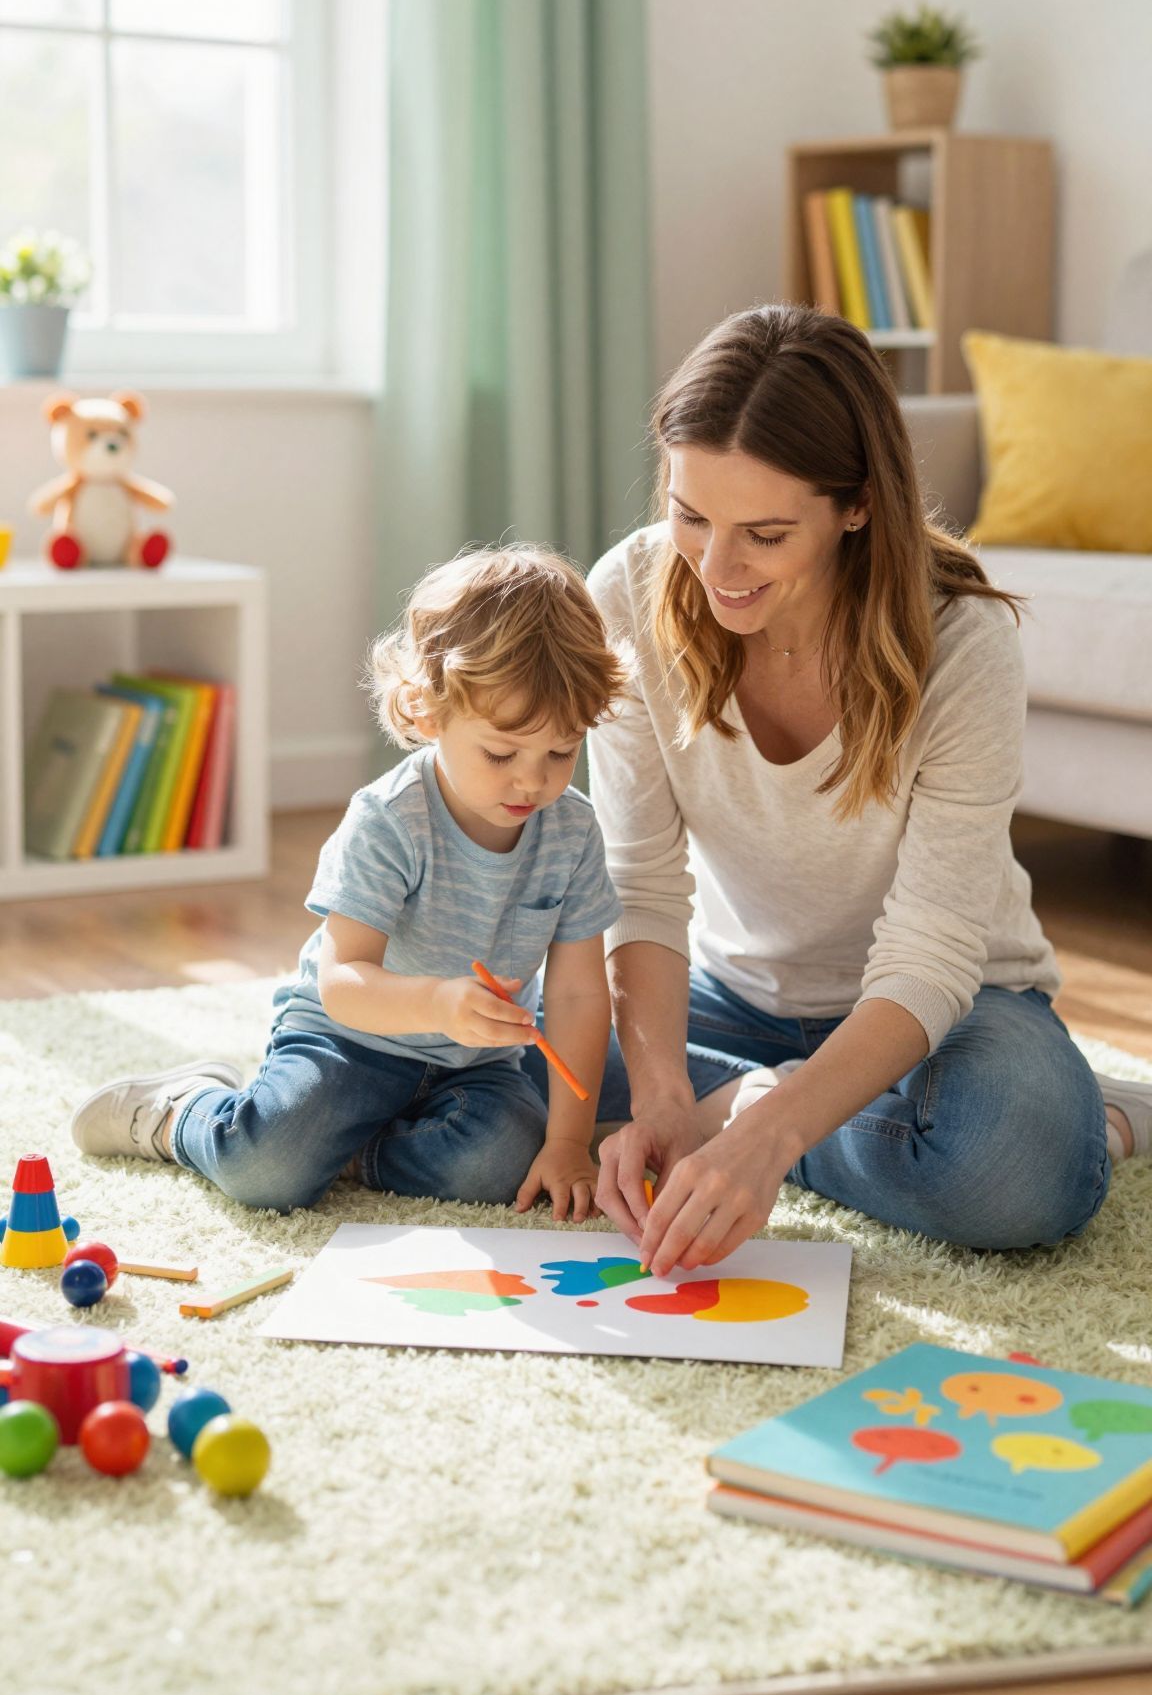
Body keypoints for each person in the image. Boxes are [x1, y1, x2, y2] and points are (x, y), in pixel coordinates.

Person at [583, 303, 1150, 1279]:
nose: (717, 567)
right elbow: (638, 884)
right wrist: (668, 1093)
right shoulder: (629, 594)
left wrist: (766, 1130)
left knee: (1011, 1167)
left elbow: (930, 955)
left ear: (855, 505)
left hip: (948, 1008)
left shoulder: (960, 644)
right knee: (510, 1087)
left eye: (763, 531)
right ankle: (779, 1106)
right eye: (690, 514)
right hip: (732, 991)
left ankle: (800, 1109)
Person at [71, 546, 628, 1220]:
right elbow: (343, 984)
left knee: (504, 1160)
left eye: (561, 752)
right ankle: (182, 1112)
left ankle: (350, 1151)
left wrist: (569, 1142)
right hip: (348, 1042)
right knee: (265, 1169)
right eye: (502, 753)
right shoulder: (391, 819)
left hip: (474, 1066)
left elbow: (575, 992)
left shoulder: (571, 832)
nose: (532, 780)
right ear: (428, 715)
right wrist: (438, 1006)